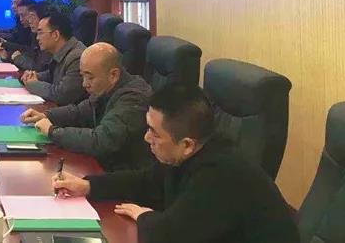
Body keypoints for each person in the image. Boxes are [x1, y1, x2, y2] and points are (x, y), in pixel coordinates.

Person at [51, 84, 299, 243]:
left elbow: (170, 236)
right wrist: (88, 185)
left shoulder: (220, 174)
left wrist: (145, 216)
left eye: (154, 132)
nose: (146, 138)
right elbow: (145, 181)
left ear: (187, 144)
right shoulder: (190, 153)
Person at [20, 42, 153, 170]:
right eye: (83, 76)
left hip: (124, 174)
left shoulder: (133, 98)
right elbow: (79, 111)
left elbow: (101, 140)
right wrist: (46, 116)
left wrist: (52, 132)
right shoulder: (106, 87)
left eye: (90, 78)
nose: (84, 84)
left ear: (113, 75)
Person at [21, 11, 87, 106]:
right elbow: (53, 74)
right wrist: (34, 76)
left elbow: (62, 95)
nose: (37, 38)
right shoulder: (64, 51)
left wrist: (33, 84)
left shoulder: (77, 57)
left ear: (55, 35)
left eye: (40, 33)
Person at [0, 0, 50, 72]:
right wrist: (8, 56)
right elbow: (30, 54)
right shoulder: (33, 33)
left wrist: (16, 57)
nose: (30, 21)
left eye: (32, 17)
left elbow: (39, 68)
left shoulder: (47, 39)